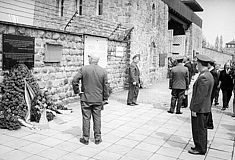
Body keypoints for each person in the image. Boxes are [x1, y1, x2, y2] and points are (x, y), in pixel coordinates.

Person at [72, 53, 109, 145]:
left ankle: (85, 138)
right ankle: (97, 138)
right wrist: (105, 98)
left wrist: (77, 91)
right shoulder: (103, 71)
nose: (88, 59)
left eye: (89, 58)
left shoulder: (84, 69)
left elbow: (74, 80)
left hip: (86, 98)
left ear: (91, 59)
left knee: (86, 118)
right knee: (97, 118)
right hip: (98, 99)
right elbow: (106, 86)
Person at [188, 54, 214, 155]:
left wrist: (195, 109)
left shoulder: (204, 77)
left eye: (197, 64)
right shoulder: (207, 75)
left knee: (199, 129)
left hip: (200, 109)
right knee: (200, 128)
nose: (196, 66)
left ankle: (200, 148)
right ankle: (199, 145)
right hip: (204, 108)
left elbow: (200, 96)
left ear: (200, 64)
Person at [207, 60, 219, 130]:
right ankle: (208, 122)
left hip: (211, 93)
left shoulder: (213, 72)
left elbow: (215, 83)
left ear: (209, 64)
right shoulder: (211, 71)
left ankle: (210, 123)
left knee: (208, 107)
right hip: (211, 93)